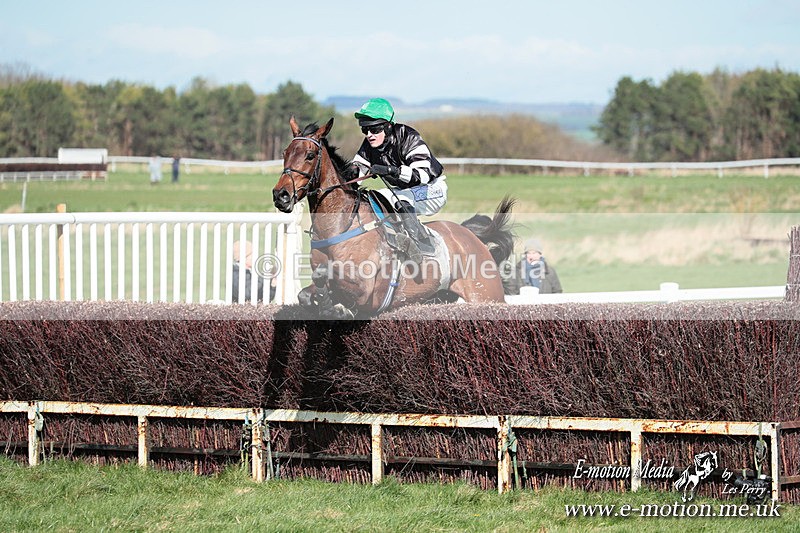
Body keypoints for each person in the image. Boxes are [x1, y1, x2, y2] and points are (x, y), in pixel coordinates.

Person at [351, 98, 447, 264]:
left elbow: (422, 175)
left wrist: (390, 170)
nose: (369, 135)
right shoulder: (368, 146)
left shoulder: (408, 136)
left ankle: (423, 245)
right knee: (373, 197)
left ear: (388, 126)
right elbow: (354, 175)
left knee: (400, 199)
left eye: (373, 129)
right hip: (404, 192)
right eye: (364, 129)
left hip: (432, 190)